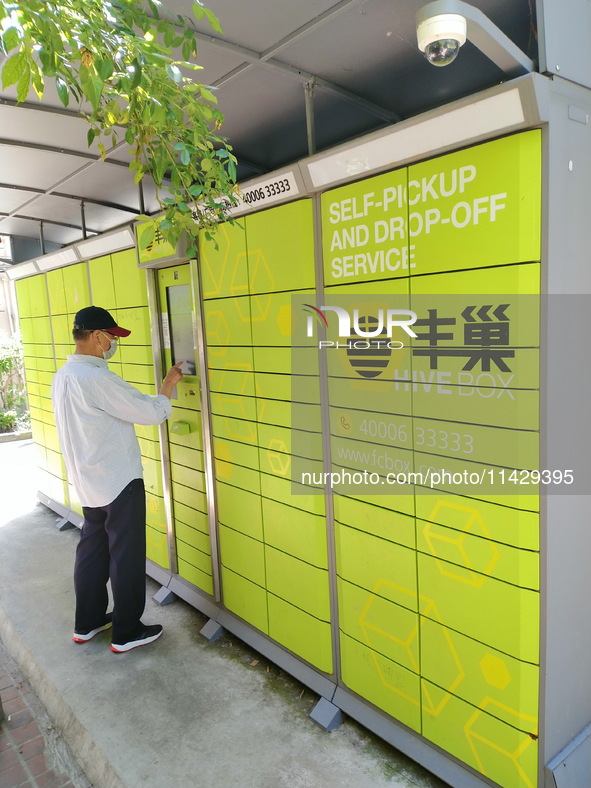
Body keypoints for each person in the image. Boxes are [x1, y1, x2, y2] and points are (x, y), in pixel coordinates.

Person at [51, 305, 184, 653]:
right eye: (111, 337)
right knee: (125, 555)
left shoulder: (63, 376)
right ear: (96, 337)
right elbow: (150, 413)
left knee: (92, 551)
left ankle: (88, 621)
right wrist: (168, 387)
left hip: (87, 481)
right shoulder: (97, 378)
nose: (113, 343)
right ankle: (127, 631)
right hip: (118, 480)